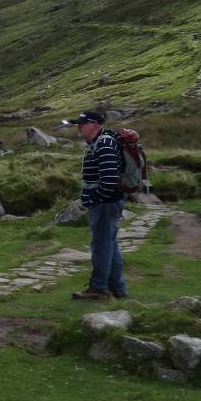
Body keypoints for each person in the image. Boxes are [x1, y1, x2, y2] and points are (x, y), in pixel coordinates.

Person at [70, 110, 128, 300]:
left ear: (94, 125)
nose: (79, 127)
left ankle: (98, 288)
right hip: (107, 203)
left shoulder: (103, 144)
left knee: (101, 246)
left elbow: (109, 180)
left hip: (105, 204)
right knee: (110, 244)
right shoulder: (100, 142)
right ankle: (117, 287)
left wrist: (94, 200)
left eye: (82, 124)